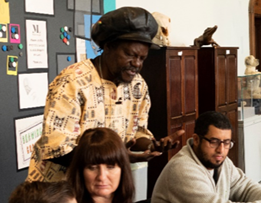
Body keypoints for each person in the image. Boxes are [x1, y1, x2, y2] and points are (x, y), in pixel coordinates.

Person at [26, 6, 184, 182]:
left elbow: (136, 133)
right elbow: (57, 150)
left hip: (102, 188)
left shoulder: (138, 85)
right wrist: (116, 157)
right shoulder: (72, 82)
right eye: (130, 54)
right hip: (58, 191)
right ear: (108, 47)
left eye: (142, 58)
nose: (137, 64)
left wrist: (151, 145)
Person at [150, 111, 261, 203]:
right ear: (196, 140)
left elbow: (245, 187)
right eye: (214, 142)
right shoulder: (182, 169)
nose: (221, 150)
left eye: (226, 143)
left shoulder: (220, 161)